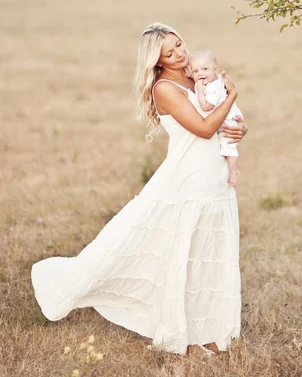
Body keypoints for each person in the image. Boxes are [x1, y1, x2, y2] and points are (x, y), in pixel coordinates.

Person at [31, 23, 247, 356]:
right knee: (151, 248)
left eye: (179, 45)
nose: (179, 54)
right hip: (185, 180)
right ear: (156, 61)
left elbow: (221, 118)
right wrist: (233, 94)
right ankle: (176, 332)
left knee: (210, 256)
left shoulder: (198, 76)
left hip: (215, 177)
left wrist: (238, 127)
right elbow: (204, 128)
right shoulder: (164, 88)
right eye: (169, 52)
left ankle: (214, 332)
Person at [190, 50, 243, 189]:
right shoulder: (213, 80)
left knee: (228, 146)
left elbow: (206, 106)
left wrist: (200, 92)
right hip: (224, 116)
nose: (200, 74)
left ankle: (234, 171)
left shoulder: (213, 87)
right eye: (195, 71)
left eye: (205, 69)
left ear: (215, 69)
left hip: (228, 120)